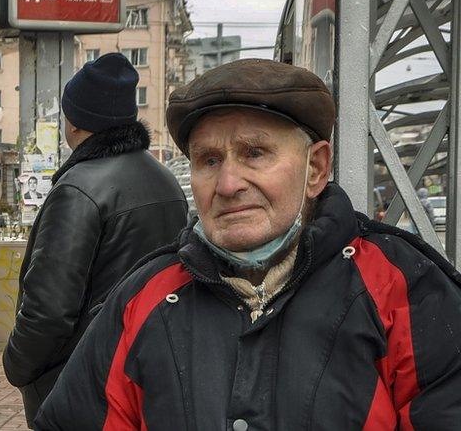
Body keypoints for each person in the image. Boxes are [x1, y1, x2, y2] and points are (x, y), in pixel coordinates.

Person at [35, 59, 461, 430]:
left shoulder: (404, 287)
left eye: (254, 153)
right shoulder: (142, 298)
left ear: (316, 168)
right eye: (209, 160)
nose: (228, 184)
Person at [3, 52, 188, 426]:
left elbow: (49, 310)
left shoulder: (78, 189)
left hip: (81, 381)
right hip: (150, 368)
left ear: (74, 122)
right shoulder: (166, 181)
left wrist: (17, 366)